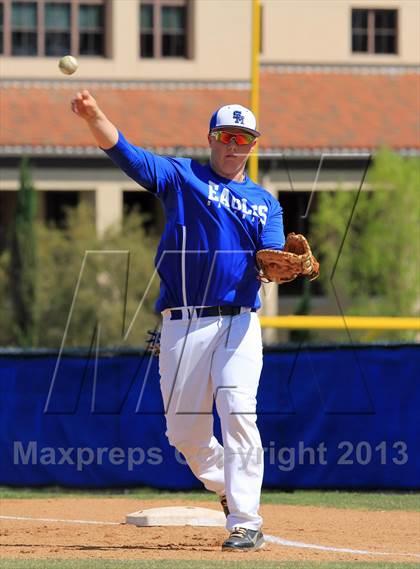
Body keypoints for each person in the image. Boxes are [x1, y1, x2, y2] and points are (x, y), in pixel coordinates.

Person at [71, 90, 285, 551]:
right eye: (227, 136)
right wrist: (95, 116)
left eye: (244, 138)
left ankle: (246, 521)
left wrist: (279, 264)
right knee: (184, 436)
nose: (235, 145)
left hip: (239, 323)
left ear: (253, 145)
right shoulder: (182, 176)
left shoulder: (265, 202)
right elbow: (127, 155)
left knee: (237, 408)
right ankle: (227, 488)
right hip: (182, 324)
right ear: (211, 138)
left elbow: (273, 257)